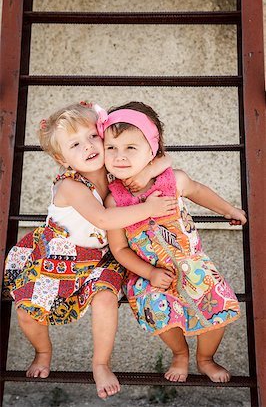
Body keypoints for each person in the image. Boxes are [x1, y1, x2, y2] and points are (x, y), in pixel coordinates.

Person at [3, 102, 177, 400]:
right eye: (75, 144)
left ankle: (100, 363)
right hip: (58, 257)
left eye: (92, 137)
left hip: (102, 258)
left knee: (106, 299)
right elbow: (102, 219)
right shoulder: (69, 186)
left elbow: (161, 160)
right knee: (27, 312)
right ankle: (43, 351)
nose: (87, 146)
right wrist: (148, 208)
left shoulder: (115, 172)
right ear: (62, 157)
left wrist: (159, 165)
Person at [101, 101, 247, 384]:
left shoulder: (172, 181)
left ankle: (206, 359)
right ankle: (180, 353)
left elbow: (199, 191)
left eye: (131, 147)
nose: (120, 156)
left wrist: (229, 210)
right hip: (150, 272)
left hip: (192, 264)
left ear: (152, 150)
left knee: (216, 308)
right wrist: (149, 273)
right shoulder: (114, 200)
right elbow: (119, 249)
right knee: (158, 309)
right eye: (111, 148)